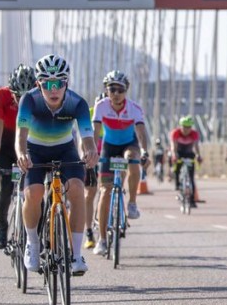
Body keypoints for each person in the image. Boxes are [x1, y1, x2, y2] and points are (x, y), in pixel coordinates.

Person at [15, 54, 98, 276]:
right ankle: (32, 244)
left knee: (78, 190)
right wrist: (22, 153)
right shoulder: (29, 100)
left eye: (59, 83)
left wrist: (90, 150)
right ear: (38, 84)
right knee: (34, 192)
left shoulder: (77, 103)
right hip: (35, 150)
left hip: (65, 149)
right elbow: (20, 134)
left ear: (66, 84)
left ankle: (76, 255)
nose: (54, 90)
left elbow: (86, 136)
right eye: (48, 84)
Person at [92, 70, 150, 256]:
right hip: (109, 147)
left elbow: (141, 133)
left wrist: (145, 151)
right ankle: (101, 240)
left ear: (126, 91)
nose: (116, 93)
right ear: (106, 90)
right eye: (112, 89)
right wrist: (92, 153)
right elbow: (94, 132)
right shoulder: (101, 106)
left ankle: (132, 203)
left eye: (120, 89)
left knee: (132, 159)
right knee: (105, 192)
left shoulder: (134, 108)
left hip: (128, 144)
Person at [0, 63, 36, 249]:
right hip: (6, 144)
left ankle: (37, 232)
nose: (21, 102)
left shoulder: (40, 98)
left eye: (26, 98)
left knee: (36, 189)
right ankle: (2, 225)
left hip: (28, 144)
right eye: (17, 97)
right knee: (5, 187)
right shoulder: (1, 95)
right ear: (10, 91)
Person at [83, 92, 107, 250]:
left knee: (108, 189)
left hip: (107, 156)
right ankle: (89, 232)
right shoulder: (89, 114)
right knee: (90, 193)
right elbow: (82, 137)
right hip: (91, 156)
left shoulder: (115, 114)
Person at [170, 115, 202, 206]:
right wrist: (174, 155)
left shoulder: (194, 134)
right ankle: (177, 185)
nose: (186, 129)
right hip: (179, 152)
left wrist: (198, 155)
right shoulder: (175, 133)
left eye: (189, 127)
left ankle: (192, 200)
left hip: (189, 153)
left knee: (191, 177)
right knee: (177, 167)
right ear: (180, 126)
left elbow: (196, 147)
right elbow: (173, 146)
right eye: (184, 127)